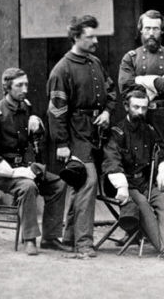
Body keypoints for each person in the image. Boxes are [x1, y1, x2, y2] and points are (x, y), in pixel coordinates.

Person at [47, 15, 117, 257]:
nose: (96, 40)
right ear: (76, 37)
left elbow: (111, 91)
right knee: (88, 183)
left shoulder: (95, 62)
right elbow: (57, 111)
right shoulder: (62, 69)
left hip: (97, 132)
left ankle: (69, 238)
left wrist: (107, 112)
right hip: (75, 134)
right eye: (90, 37)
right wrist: (62, 143)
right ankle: (84, 244)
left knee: (79, 186)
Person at [0, 68, 67, 255]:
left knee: (58, 184)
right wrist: (14, 172)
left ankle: (50, 237)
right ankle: (30, 239)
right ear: (7, 87)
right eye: (19, 85)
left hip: (22, 167)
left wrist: (36, 124)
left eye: (26, 84)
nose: (25, 89)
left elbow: (32, 140)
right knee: (28, 187)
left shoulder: (25, 107)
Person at [102, 89, 164, 259]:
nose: (140, 112)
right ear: (126, 106)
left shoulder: (149, 130)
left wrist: (163, 169)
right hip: (123, 185)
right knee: (142, 202)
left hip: (144, 183)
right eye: (136, 107)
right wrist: (121, 185)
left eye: (144, 108)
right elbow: (111, 160)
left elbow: (163, 151)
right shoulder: (116, 132)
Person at [118, 9, 164, 232]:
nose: (151, 33)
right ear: (140, 30)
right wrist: (160, 81)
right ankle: (139, 229)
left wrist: (145, 80)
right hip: (139, 118)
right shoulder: (131, 57)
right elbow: (126, 87)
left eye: (156, 28)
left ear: (162, 30)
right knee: (139, 169)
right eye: (147, 28)